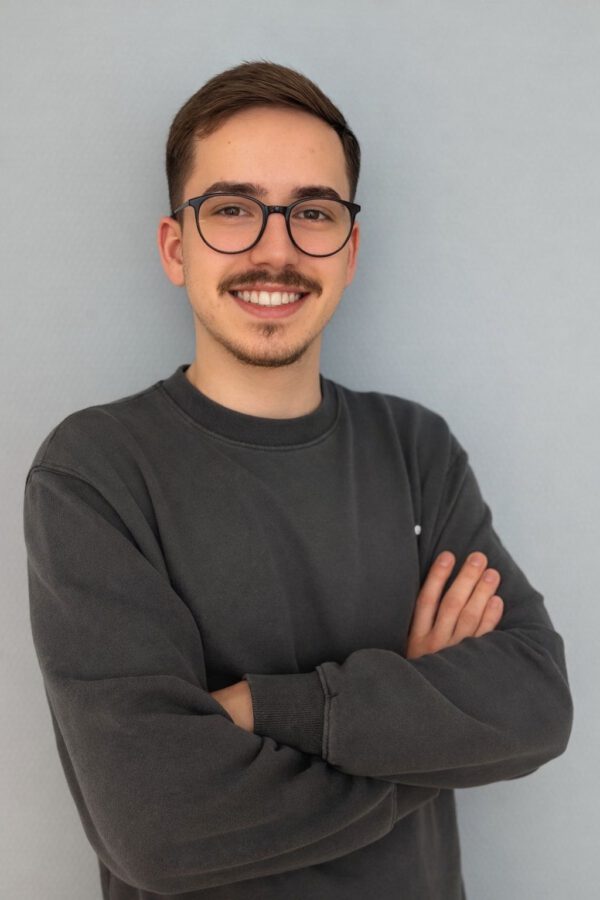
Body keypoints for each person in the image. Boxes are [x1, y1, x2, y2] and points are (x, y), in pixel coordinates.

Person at [23, 60, 573, 900]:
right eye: (232, 209)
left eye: (313, 213)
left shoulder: (415, 449)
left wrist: (266, 709)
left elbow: (535, 704)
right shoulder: (94, 470)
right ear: (176, 247)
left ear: (350, 251)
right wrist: (426, 724)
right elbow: (156, 826)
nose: (275, 250)